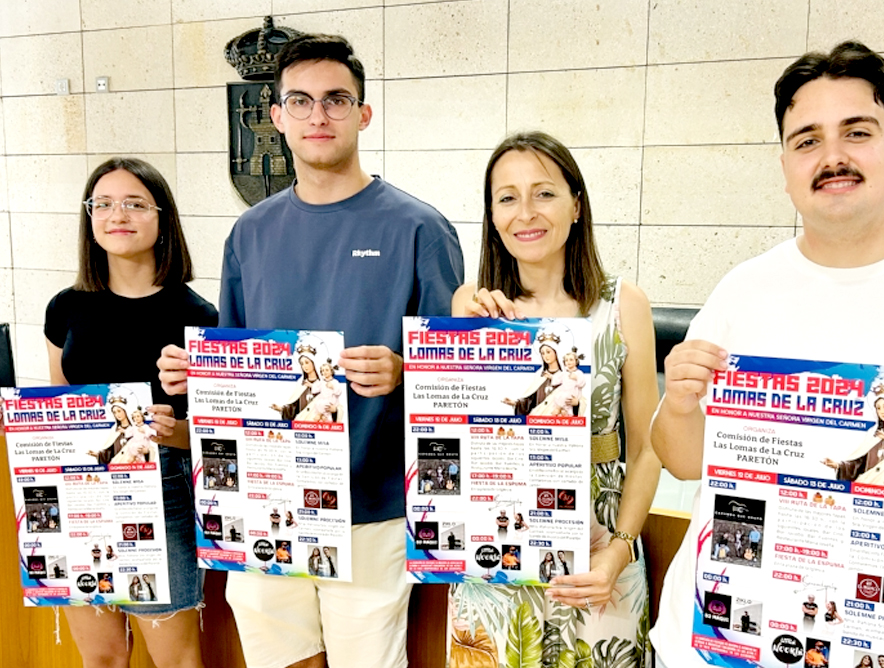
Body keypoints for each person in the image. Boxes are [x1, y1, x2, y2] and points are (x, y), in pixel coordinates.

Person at [649, 41, 884, 668]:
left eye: (857, 132)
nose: (833, 157)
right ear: (786, 164)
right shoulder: (743, 289)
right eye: (807, 140)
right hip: (720, 641)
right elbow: (685, 464)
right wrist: (682, 406)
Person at [157, 33, 462, 668]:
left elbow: (460, 377)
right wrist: (196, 377)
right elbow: (232, 360)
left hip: (371, 505)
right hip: (265, 497)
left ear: (363, 113)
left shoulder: (418, 228)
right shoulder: (250, 233)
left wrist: (406, 371)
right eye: (300, 101)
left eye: (336, 100)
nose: (318, 116)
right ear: (276, 118)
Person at [448, 131, 661, 666]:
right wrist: (466, 342)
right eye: (507, 197)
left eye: (544, 193)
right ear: (492, 216)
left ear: (576, 205)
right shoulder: (471, 305)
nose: (526, 212)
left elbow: (648, 448)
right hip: (496, 550)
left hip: (597, 556)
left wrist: (619, 549)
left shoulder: (623, 305)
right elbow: (448, 438)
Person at [45, 157, 215, 668]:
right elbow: (59, 403)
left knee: (176, 658)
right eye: (104, 203)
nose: (118, 214)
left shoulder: (197, 315)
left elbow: (214, 435)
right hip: (79, 487)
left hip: (160, 489)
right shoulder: (65, 307)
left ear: (163, 218)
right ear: (89, 217)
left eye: (136, 203)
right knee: (101, 658)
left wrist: (176, 433)